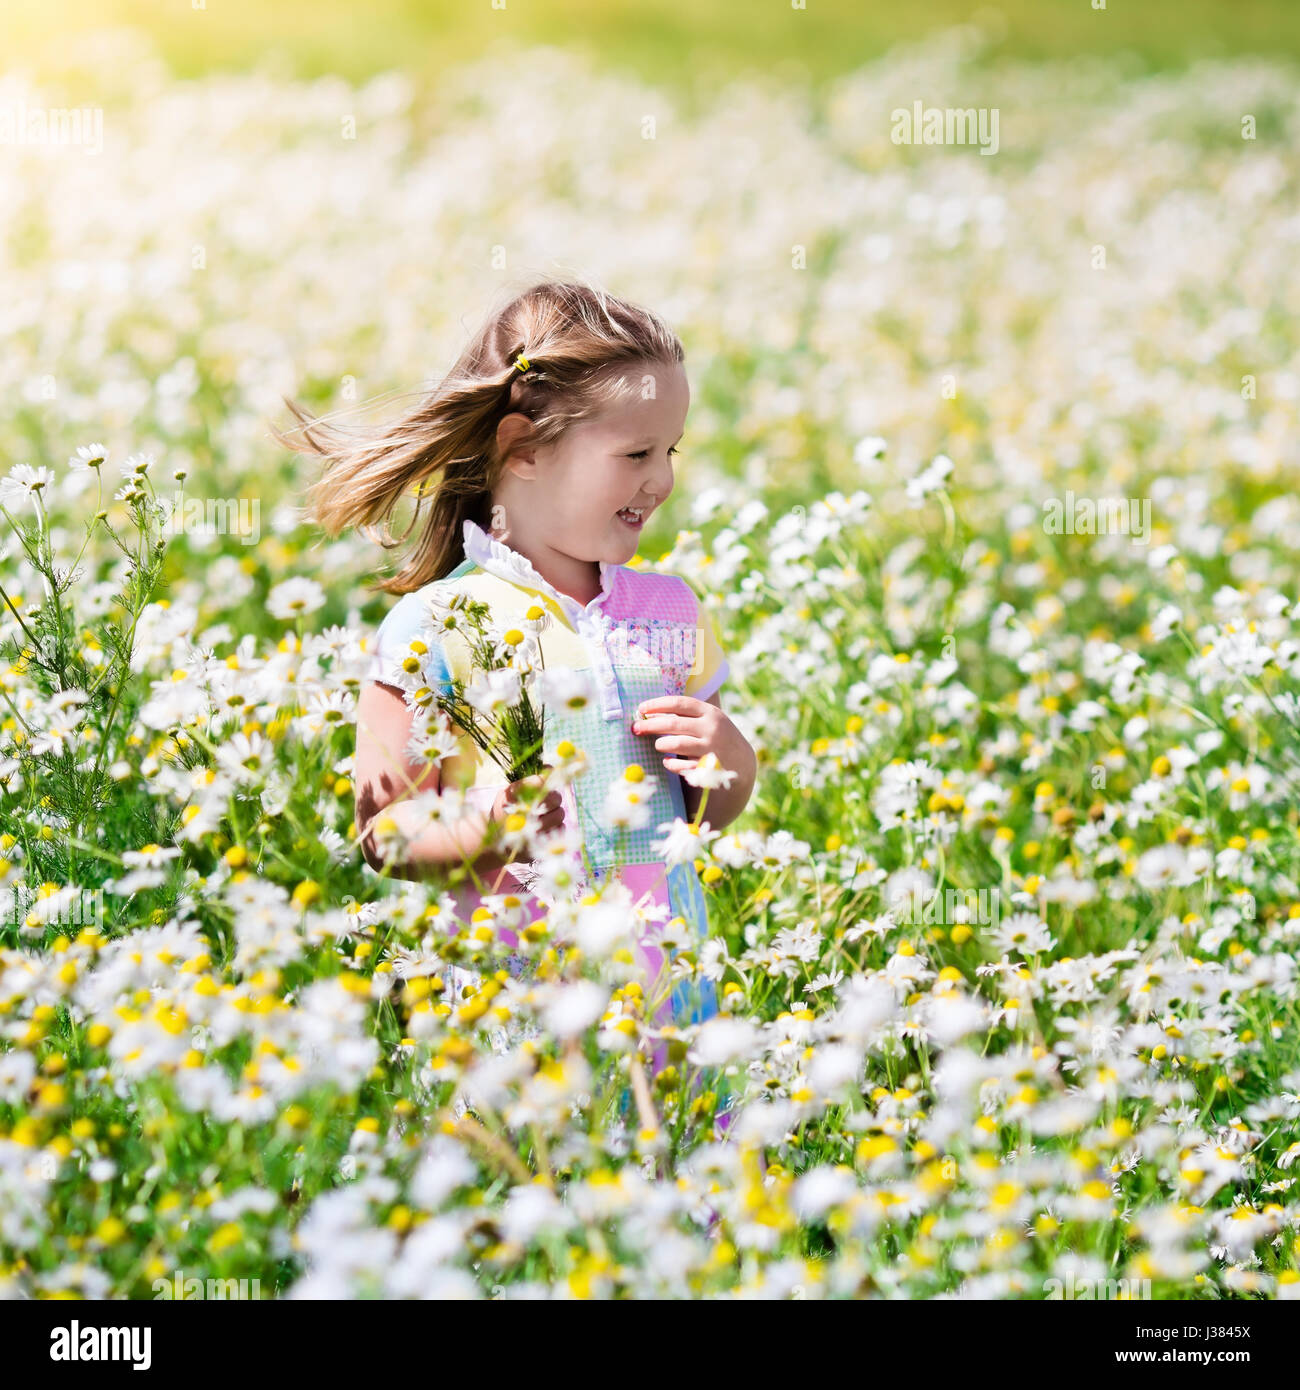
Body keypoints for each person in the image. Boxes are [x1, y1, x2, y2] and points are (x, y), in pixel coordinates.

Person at [278, 279, 757, 1099]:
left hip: (668, 999)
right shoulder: (435, 626)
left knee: (677, 1198)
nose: (662, 480)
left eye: (669, 451)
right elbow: (381, 832)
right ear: (524, 448)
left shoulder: (669, 611)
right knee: (535, 1203)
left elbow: (702, 811)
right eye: (636, 454)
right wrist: (486, 830)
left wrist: (729, 761)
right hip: (517, 1011)